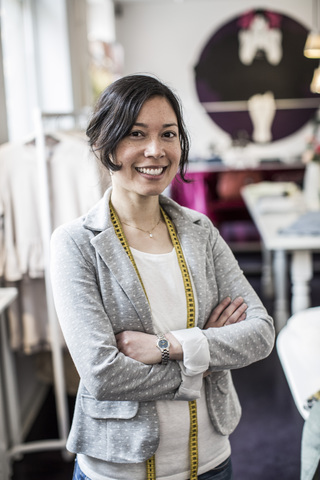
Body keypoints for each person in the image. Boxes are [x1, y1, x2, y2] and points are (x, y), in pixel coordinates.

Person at [50, 74, 275, 480]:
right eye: (136, 134)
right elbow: (102, 375)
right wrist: (202, 361)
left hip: (210, 460)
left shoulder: (200, 230)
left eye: (168, 134)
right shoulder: (75, 244)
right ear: (104, 143)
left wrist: (168, 346)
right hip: (117, 468)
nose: (155, 150)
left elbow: (260, 334)